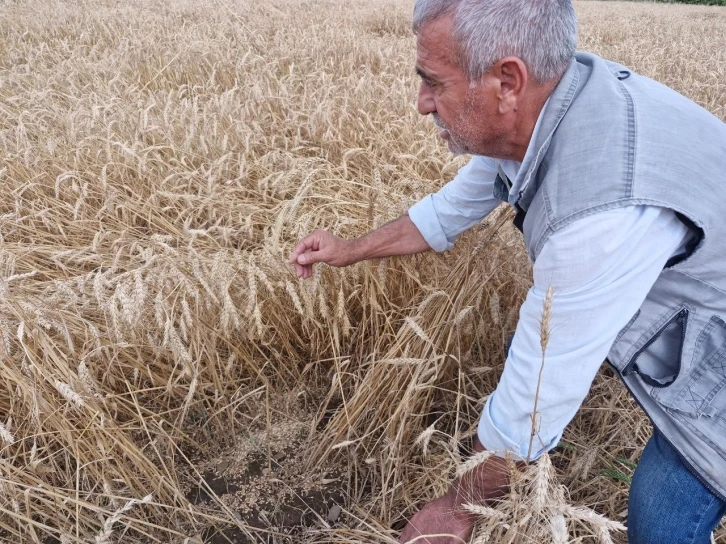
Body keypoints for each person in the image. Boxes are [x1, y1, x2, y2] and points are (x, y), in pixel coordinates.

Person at [288, 0, 726, 542]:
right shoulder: (546, 112)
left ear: (507, 81)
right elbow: (448, 210)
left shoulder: (600, 210)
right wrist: (350, 248)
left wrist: (456, 509)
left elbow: (537, 397)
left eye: (434, 82)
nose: (422, 103)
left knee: (665, 515)